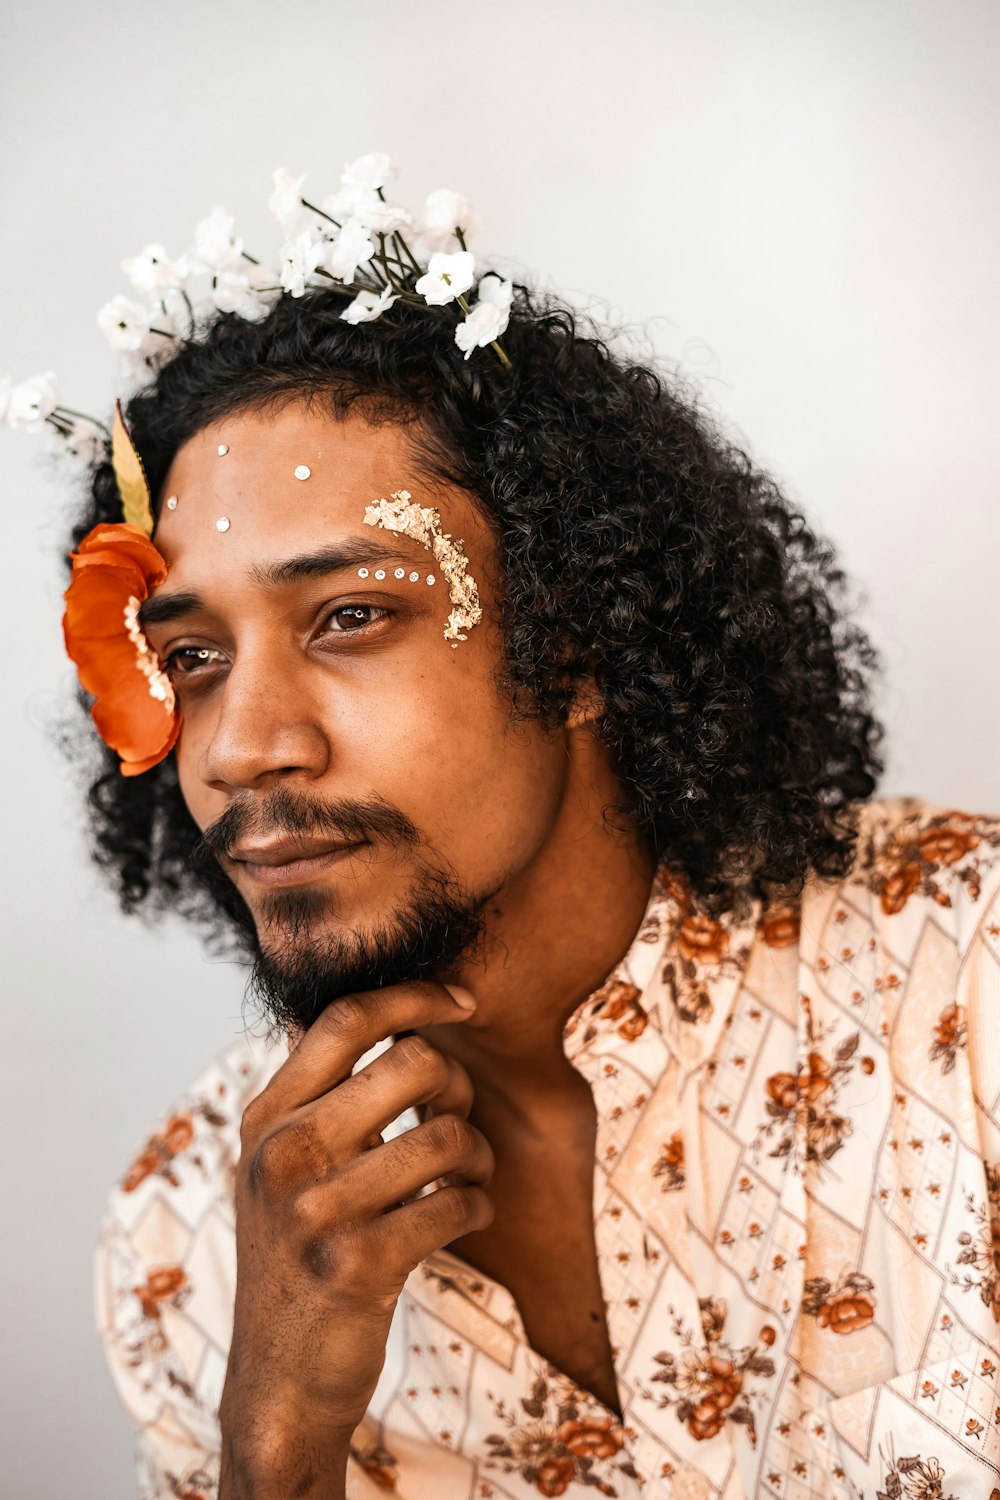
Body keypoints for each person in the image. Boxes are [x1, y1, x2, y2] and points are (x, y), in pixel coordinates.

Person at [23, 172, 998, 1498]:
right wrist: (275, 1445)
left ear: (575, 635)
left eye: (350, 616)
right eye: (189, 654)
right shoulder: (185, 1240)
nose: (242, 744)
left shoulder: (970, 973)